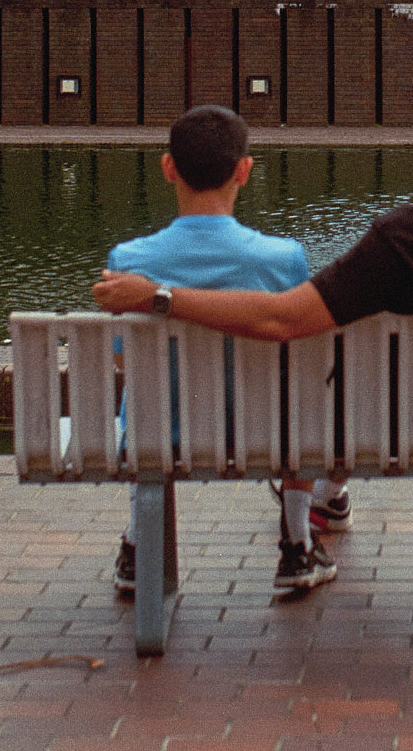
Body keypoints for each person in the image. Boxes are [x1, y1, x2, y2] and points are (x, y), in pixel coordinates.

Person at [94, 79, 413, 583]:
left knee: (330, 379)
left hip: (396, 432)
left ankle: (326, 498)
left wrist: (161, 296)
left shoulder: (400, 241)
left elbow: (283, 319)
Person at [101, 105, 336, 595]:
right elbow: (303, 353)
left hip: (162, 436)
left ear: (168, 168)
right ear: (243, 171)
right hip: (269, 436)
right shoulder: (283, 259)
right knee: (305, 403)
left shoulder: (129, 262)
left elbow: (124, 362)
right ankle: (296, 543)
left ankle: (139, 545)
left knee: (147, 400)